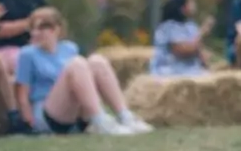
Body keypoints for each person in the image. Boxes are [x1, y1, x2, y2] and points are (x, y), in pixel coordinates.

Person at [14, 7, 152, 135]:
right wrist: (29, 123)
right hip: (49, 112)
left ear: (57, 29)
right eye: (33, 28)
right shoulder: (28, 54)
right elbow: (22, 95)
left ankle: (125, 115)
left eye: (43, 27)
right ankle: (100, 120)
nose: (36, 33)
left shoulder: (69, 48)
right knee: (77, 64)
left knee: (97, 61)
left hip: (78, 111)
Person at [0, 0, 47, 132]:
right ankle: (21, 117)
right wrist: (29, 22)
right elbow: (0, 32)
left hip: (33, 43)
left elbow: (47, 15)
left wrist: (31, 26)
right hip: (4, 49)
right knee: (19, 60)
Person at [149, 0, 213, 77]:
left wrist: (204, 59)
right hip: (171, 71)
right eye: (191, 2)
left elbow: (198, 49)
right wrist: (202, 33)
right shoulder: (168, 27)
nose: (194, 5)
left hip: (191, 70)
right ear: (182, 8)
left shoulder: (191, 26)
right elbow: (182, 51)